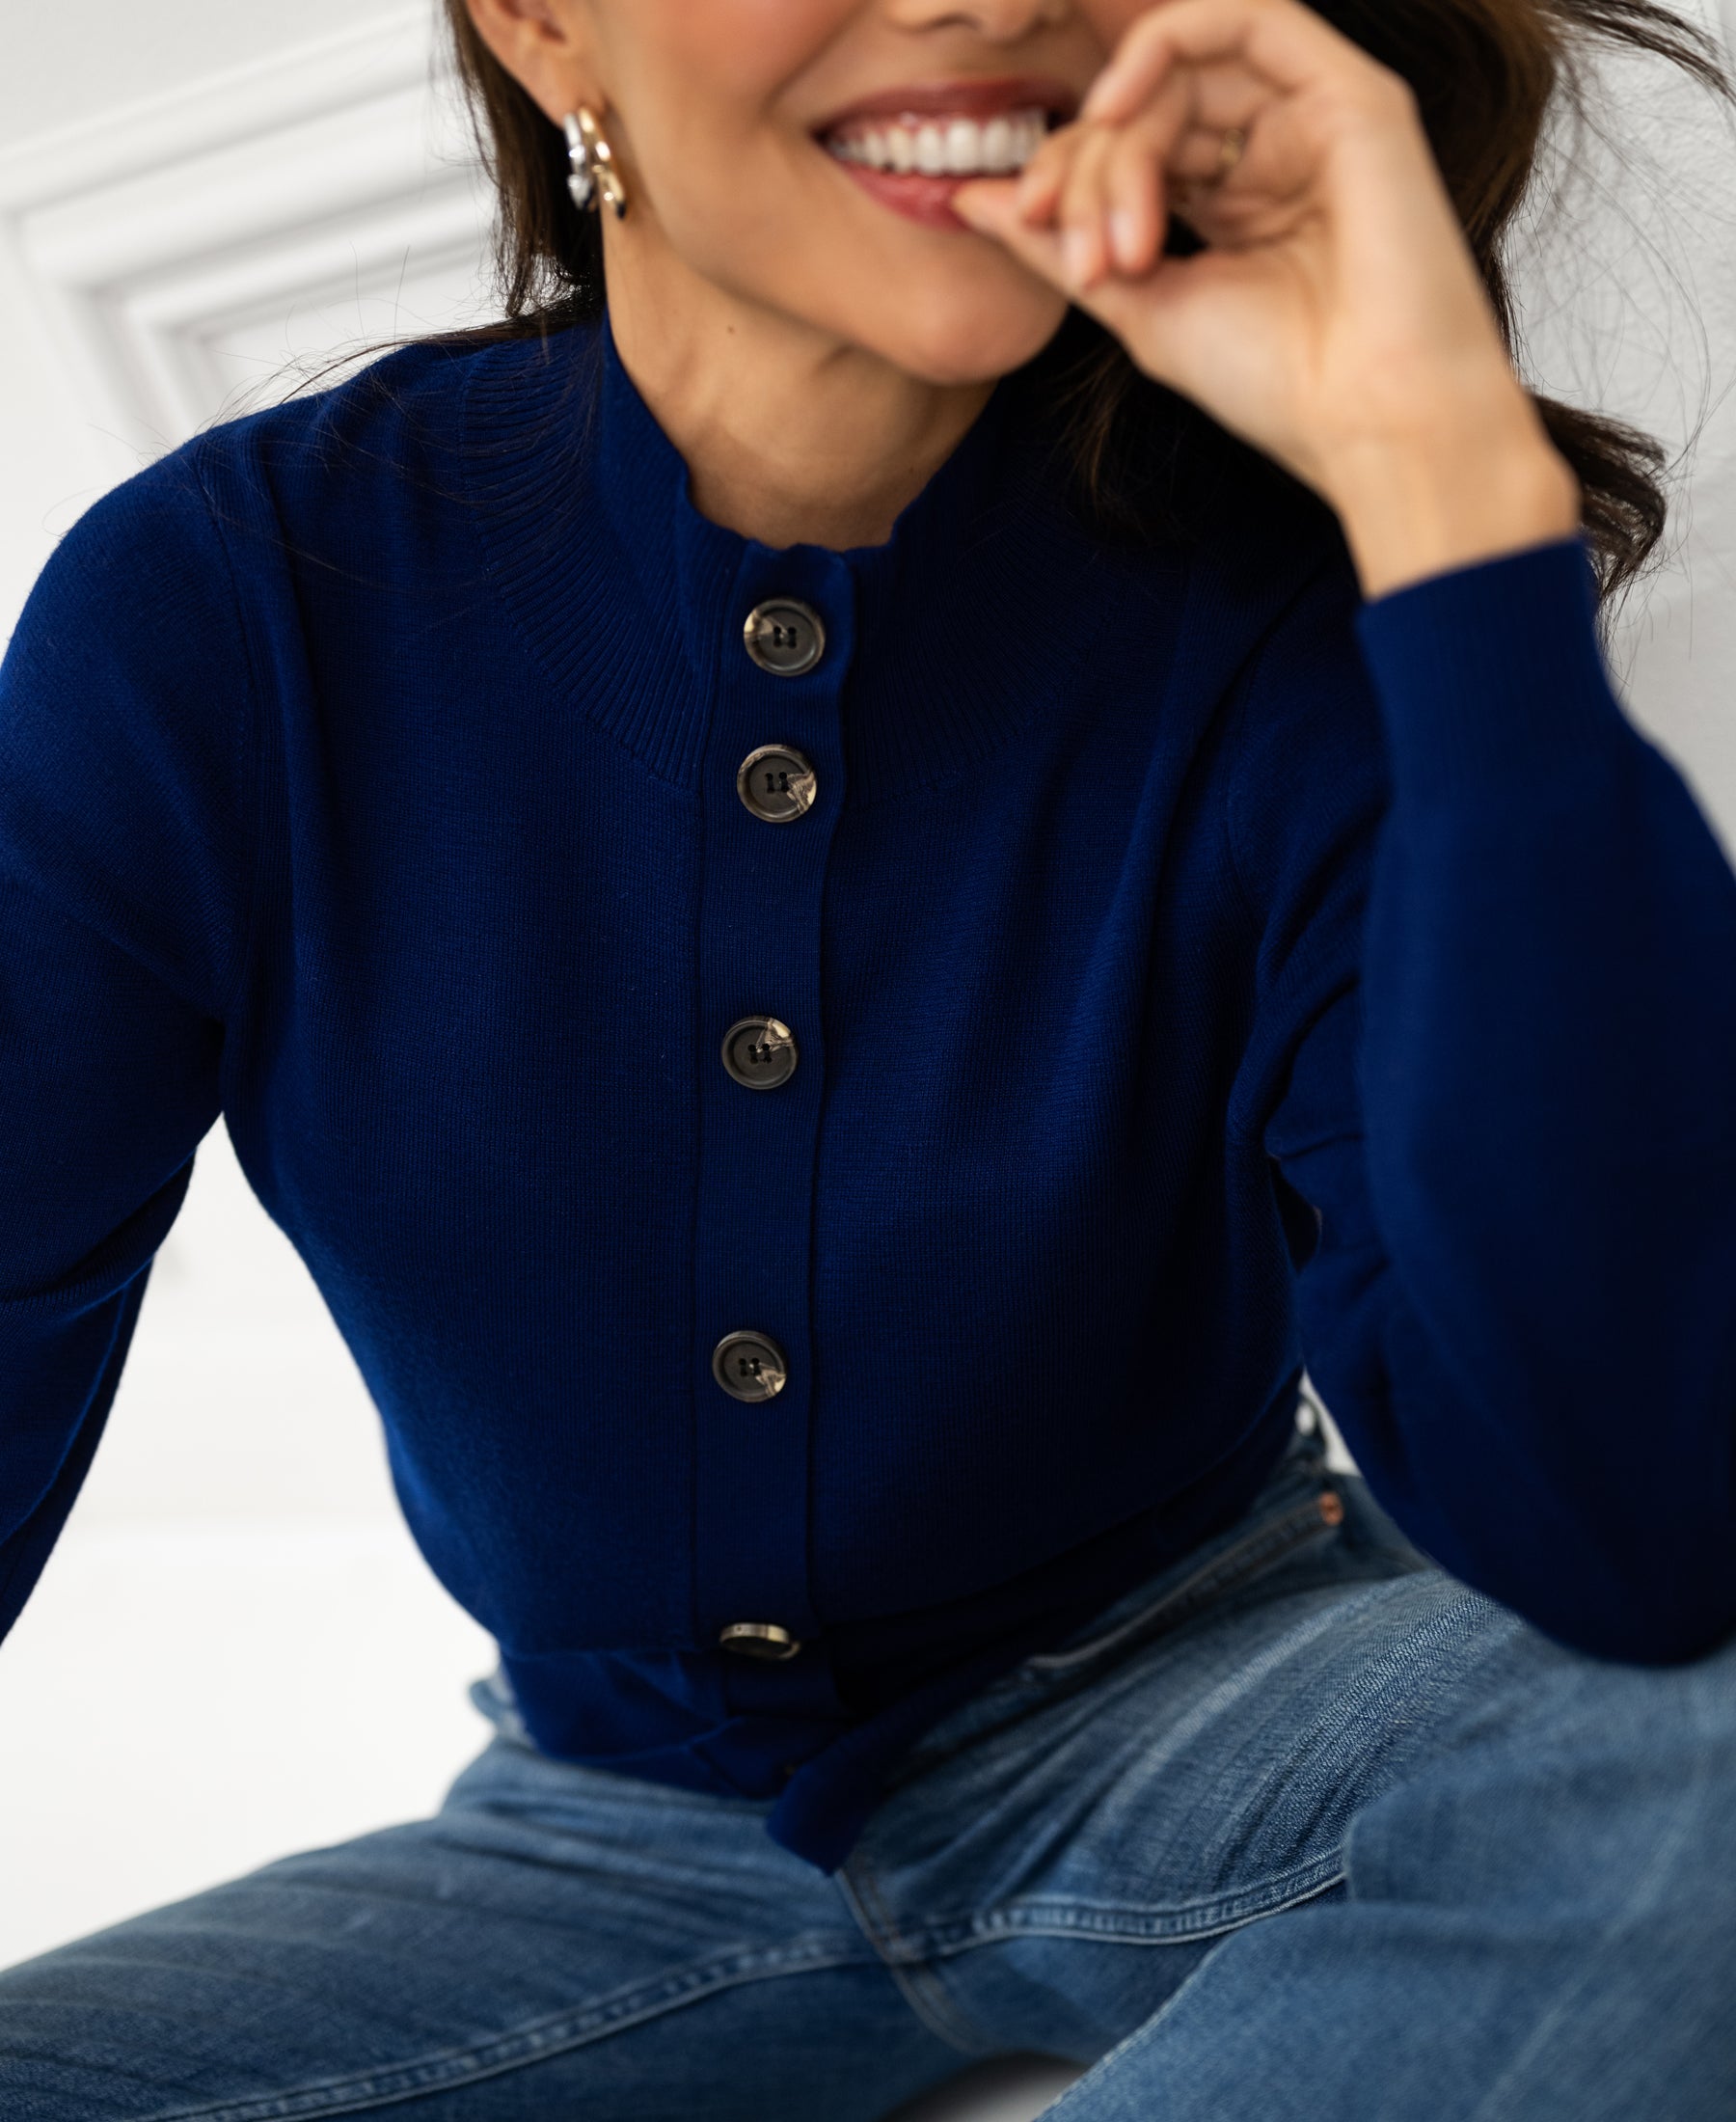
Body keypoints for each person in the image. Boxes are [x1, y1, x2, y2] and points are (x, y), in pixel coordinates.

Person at [0, 0, 1732, 2112]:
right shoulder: (230, 607)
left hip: (1219, 1693)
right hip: (592, 1833)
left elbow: (1639, 1522)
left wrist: (1438, 477)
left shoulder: (1300, 609)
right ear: (546, 23)